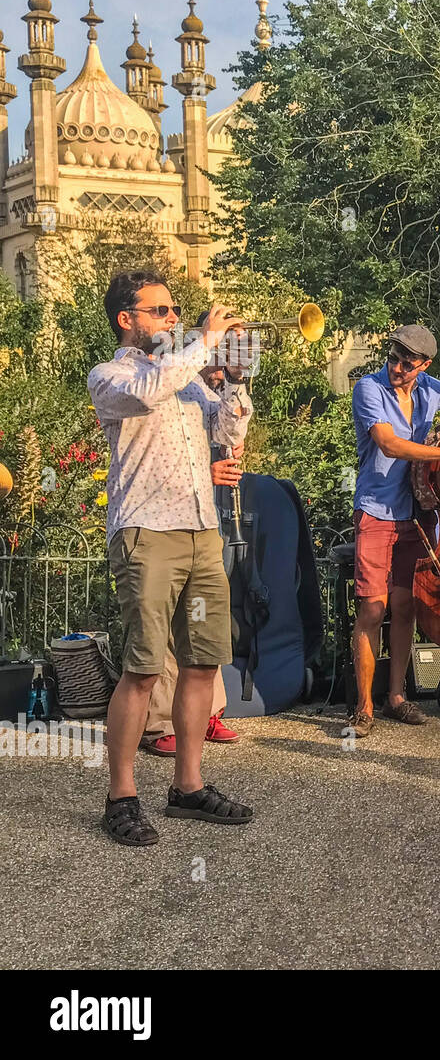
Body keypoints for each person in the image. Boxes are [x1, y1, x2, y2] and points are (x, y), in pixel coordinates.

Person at [89, 270, 255, 846]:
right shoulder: (112, 375)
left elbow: (229, 432)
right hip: (147, 534)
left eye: (173, 310)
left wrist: (233, 383)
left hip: (201, 532)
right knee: (141, 668)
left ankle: (187, 786)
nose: (170, 318)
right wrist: (204, 343)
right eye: (158, 311)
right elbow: (149, 390)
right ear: (126, 319)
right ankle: (122, 795)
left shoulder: (188, 377)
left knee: (202, 663)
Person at [347, 325, 440, 737]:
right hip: (376, 512)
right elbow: (389, 444)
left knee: (406, 608)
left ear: (424, 364)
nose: (396, 367)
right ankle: (364, 708)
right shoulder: (368, 388)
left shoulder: (429, 386)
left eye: (407, 363)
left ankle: (396, 698)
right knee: (373, 610)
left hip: (416, 513)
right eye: (393, 358)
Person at [139, 315, 247, 756]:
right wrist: (208, 471)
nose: (220, 364)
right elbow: (152, 467)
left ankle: (207, 713)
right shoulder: (162, 380)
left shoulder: (205, 390)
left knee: (203, 621)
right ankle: (161, 720)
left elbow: (230, 433)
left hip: (204, 520)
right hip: (162, 522)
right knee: (165, 630)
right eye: (220, 351)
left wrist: (237, 381)